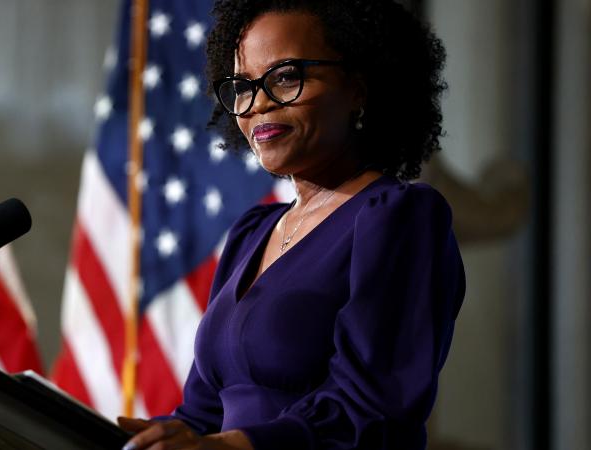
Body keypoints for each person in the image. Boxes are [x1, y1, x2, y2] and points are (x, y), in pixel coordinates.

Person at [118, 0, 465, 449]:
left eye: (285, 77)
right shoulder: (253, 232)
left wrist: (232, 446)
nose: (258, 103)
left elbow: (372, 411)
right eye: (243, 86)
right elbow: (203, 413)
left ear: (358, 87)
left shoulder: (398, 216)